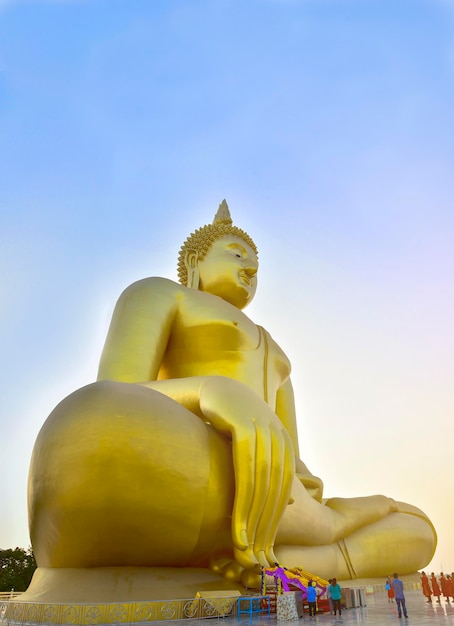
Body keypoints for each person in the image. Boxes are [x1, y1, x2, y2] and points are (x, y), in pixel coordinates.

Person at [25, 202, 438, 601]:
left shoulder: (276, 355)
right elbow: (116, 393)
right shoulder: (161, 294)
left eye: (256, 265)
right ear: (194, 263)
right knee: (89, 423)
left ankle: (300, 554)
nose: (251, 269)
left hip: (272, 492)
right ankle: (305, 546)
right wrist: (208, 391)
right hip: (188, 456)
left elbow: (290, 457)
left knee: (418, 528)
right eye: (236, 253)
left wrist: (309, 498)